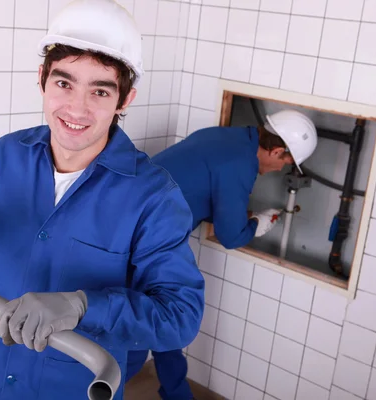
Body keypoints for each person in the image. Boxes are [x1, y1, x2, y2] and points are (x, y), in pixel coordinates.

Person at [0, 0, 204, 398]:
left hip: (75, 382)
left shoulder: (154, 197)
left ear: (124, 101)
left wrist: (82, 306)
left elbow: (180, 316)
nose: (76, 107)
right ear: (42, 78)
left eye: (100, 91)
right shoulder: (4, 156)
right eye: (64, 83)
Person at [125, 109, 318, 399]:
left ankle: (177, 394)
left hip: (134, 225)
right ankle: (89, 389)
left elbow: (204, 191)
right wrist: (257, 224)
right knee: (138, 336)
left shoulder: (227, 138)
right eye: (286, 163)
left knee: (166, 317)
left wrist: (247, 214)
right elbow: (230, 236)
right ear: (277, 151)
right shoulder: (240, 164)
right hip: (143, 242)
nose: (281, 169)